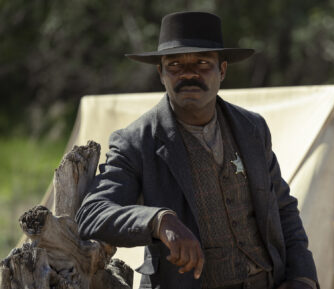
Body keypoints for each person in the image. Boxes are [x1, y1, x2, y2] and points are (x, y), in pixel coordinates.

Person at [76, 11, 319, 289]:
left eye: (203, 63)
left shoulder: (252, 128)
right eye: (175, 64)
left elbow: (283, 208)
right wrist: (158, 220)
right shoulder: (136, 141)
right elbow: (92, 213)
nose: (189, 73)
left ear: (223, 70)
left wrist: (303, 277)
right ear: (161, 73)